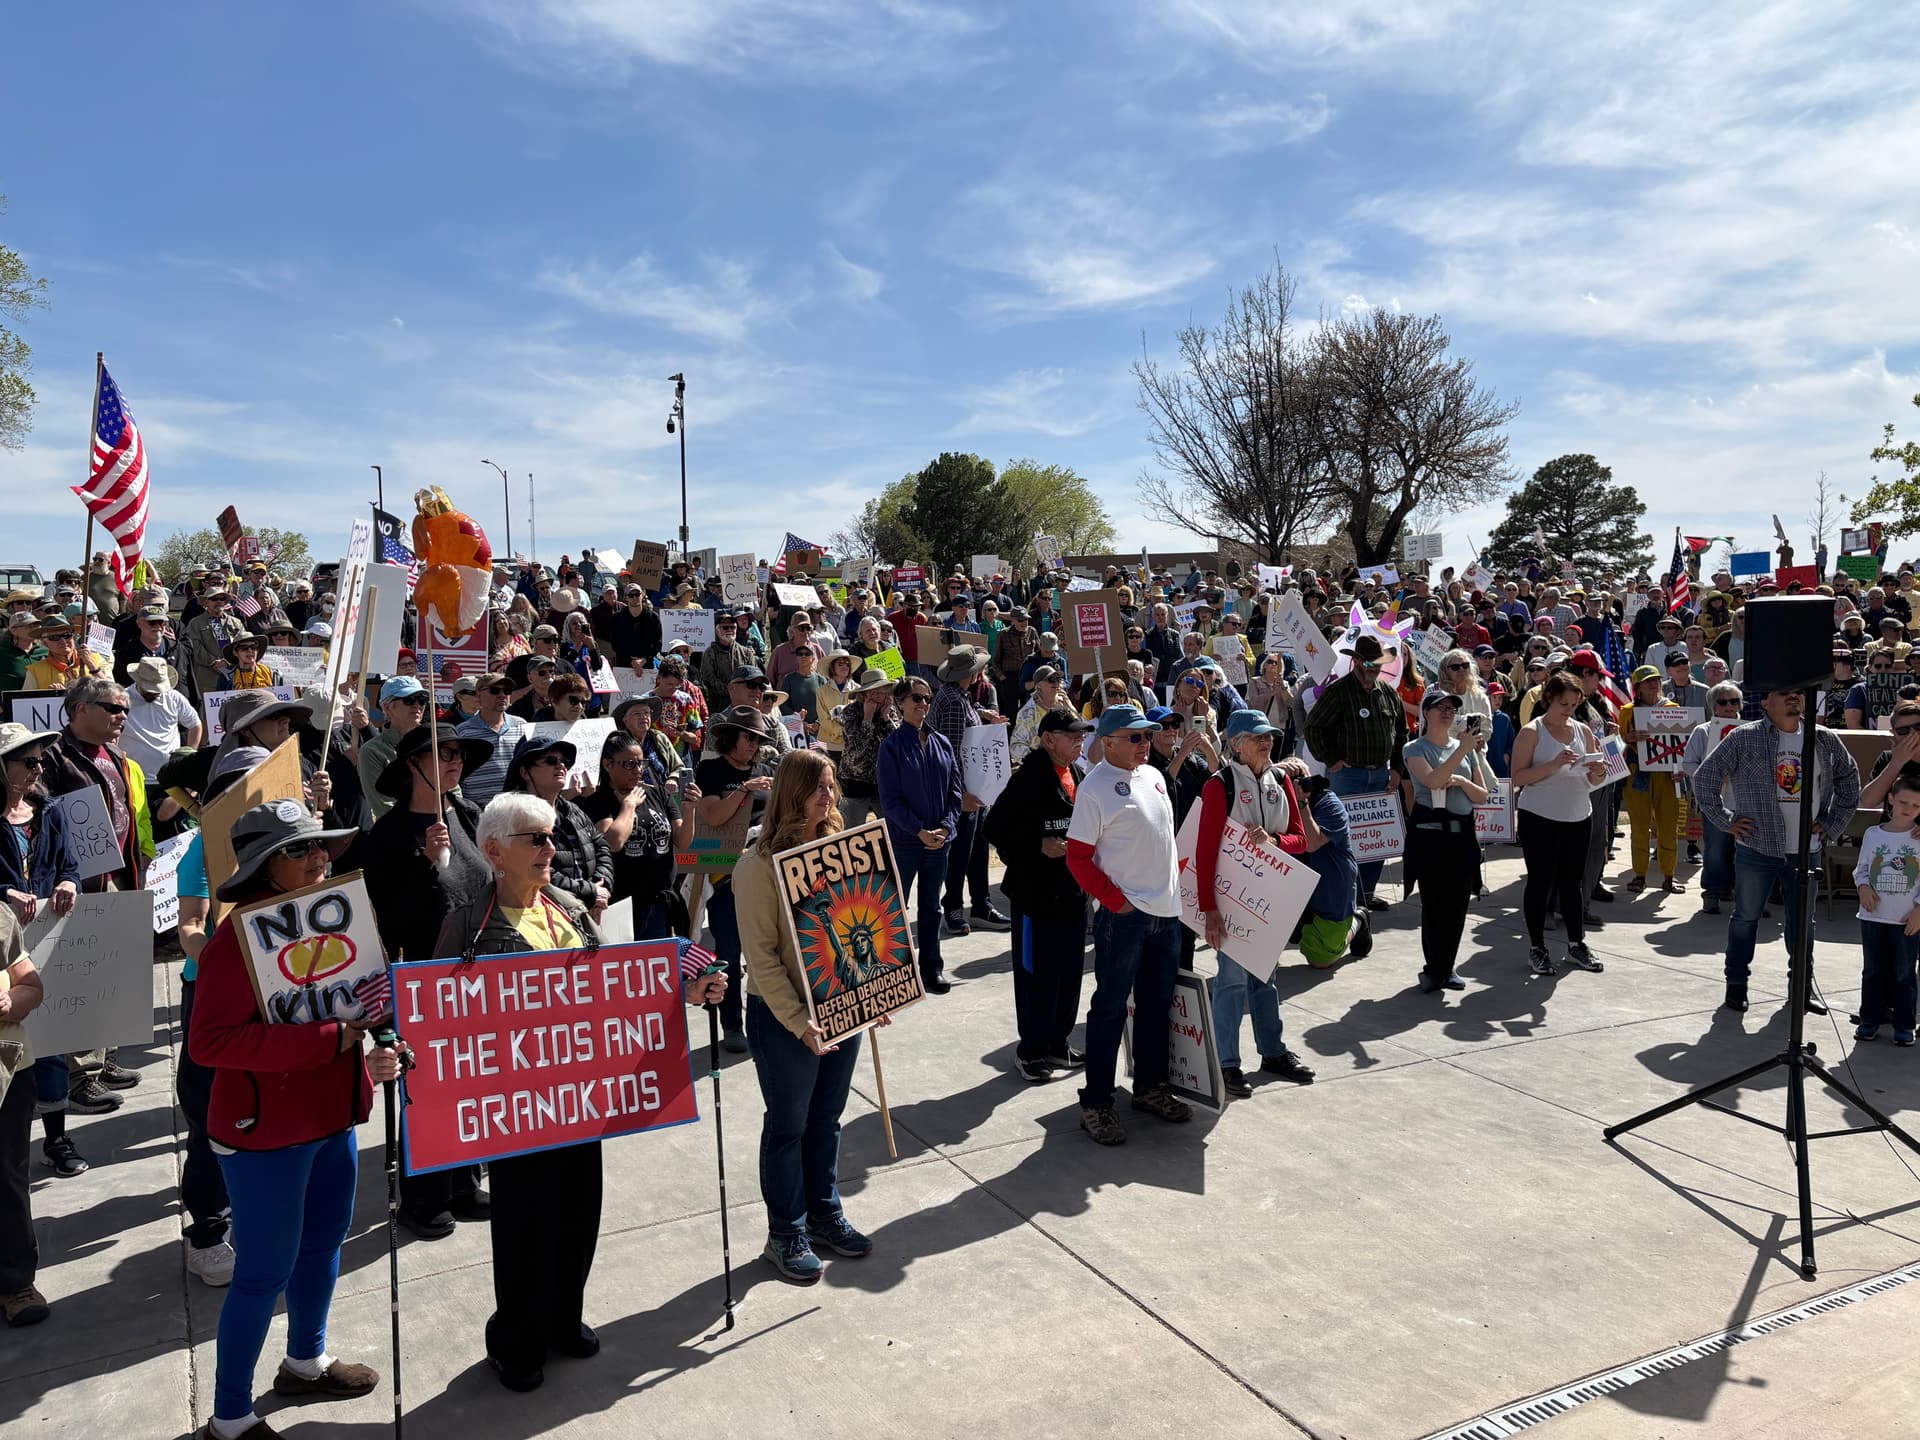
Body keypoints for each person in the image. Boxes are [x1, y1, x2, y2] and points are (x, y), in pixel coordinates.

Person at [190, 801, 400, 1436]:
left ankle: (305, 1362)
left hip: (331, 1116)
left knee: (323, 1243)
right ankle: (229, 1418)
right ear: (262, 866)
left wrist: (378, 1043)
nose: (320, 859)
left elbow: (363, 1000)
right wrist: (334, 1039)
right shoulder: (233, 940)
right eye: (300, 850)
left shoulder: (341, 918)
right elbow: (210, 1042)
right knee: (261, 1273)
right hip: (264, 1135)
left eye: (322, 848)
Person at [732, 750, 878, 1285]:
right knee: (789, 1126)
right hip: (783, 1018)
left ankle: (824, 1214)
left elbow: (862, 920)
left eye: (833, 785)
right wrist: (799, 1021)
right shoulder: (756, 866)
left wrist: (876, 988)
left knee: (826, 1120)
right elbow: (762, 958)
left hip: (842, 1008)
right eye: (819, 786)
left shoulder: (840, 851)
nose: (829, 795)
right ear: (792, 791)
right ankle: (785, 1231)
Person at [363, 724, 494, 1237]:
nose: (456, 762)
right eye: (444, 754)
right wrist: (425, 864)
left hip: (475, 970)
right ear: (413, 764)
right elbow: (388, 916)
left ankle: (462, 1179)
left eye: (460, 754)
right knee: (428, 1088)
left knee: (469, 1080)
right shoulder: (389, 834)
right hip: (421, 973)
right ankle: (421, 1196)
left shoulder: (465, 813)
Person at [1691, 687, 1860, 1014]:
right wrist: (1725, 821)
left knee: (1802, 924)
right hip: (1757, 846)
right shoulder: (1744, 737)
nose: (1793, 698)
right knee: (1745, 918)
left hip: (1806, 849)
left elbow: (1849, 780)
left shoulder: (1822, 738)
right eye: (1784, 693)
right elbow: (1705, 778)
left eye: (1797, 693)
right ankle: (1737, 984)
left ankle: (1800, 988)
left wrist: (1832, 822)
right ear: (1766, 703)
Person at [1065, 705, 1187, 1145]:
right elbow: (1077, 858)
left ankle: (1150, 1087)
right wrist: (1116, 903)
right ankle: (1096, 1103)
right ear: (1109, 740)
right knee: (1111, 1009)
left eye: (1146, 736)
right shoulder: (1094, 787)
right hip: (1127, 916)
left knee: (1157, 1007)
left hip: (1165, 913)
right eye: (1134, 737)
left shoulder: (1154, 776)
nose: (1144, 743)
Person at [1194, 711, 1320, 1096]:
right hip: (1232, 900)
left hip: (1269, 900)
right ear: (1235, 743)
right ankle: (1227, 1063)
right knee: (1231, 982)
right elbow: (1204, 851)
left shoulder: (1281, 780)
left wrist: (1275, 843)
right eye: (1257, 736)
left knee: (1266, 980)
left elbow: (1302, 840)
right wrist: (1209, 910)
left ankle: (1273, 1052)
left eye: (1269, 735)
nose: (1267, 742)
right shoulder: (1220, 785)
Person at [986, 709, 1093, 1082]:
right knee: (1037, 976)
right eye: (1072, 735)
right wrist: (1037, 844)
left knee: (1068, 974)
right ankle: (1030, 1051)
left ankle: (1057, 1043)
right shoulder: (1029, 777)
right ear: (1049, 739)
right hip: (1036, 897)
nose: (1080, 741)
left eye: (1082, 735)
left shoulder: (1077, 774)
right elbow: (994, 828)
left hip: (1072, 894)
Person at [0, 725, 88, 1180]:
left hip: (44, 942)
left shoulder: (49, 811)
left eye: (40, 761)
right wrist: (4, 894)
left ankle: (56, 1138)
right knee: (12, 1044)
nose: (39, 769)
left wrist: (69, 881)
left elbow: (69, 863)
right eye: (28, 762)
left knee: (50, 1045)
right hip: (3, 952)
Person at [1510, 674, 1610, 977]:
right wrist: (1553, 764)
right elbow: (1517, 777)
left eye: (1575, 702)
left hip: (1578, 814)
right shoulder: (1532, 731)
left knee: (1572, 883)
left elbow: (1594, 780)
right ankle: (1537, 947)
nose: (1569, 708)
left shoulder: (1582, 730)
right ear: (1548, 699)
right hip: (1539, 816)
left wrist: (1599, 771)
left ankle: (1576, 943)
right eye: (1563, 702)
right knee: (1540, 882)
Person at [695, 706, 780, 1052]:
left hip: (765, 873)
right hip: (725, 874)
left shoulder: (767, 770)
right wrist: (744, 790)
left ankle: (771, 1018)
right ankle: (732, 1023)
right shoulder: (710, 770)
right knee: (728, 950)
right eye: (748, 736)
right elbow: (712, 816)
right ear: (731, 736)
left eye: (759, 738)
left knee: (769, 949)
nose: (754, 744)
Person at [1304, 635, 1408, 909]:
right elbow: (1313, 728)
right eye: (1368, 661)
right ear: (1357, 661)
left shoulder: (1388, 693)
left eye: (1377, 662)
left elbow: (1401, 734)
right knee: (1340, 836)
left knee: (1377, 838)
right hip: (1346, 776)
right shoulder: (1339, 691)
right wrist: (1331, 759)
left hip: (1381, 775)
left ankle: (1367, 892)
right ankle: (1340, 891)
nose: (1373, 666)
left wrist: (1396, 769)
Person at [1404, 690, 1492, 994]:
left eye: (1451, 708)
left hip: (1462, 835)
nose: (1447, 712)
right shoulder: (1414, 748)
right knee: (1434, 904)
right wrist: (1462, 751)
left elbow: (1481, 794)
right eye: (1440, 707)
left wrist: (1464, 779)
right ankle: (1434, 967)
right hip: (1430, 835)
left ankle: (1447, 965)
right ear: (1426, 713)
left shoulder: (1464, 748)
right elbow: (1431, 780)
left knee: (1457, 905)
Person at [877, 677, 961, 994]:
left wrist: (946, 827)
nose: (923, 704)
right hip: (906, 843)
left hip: (939, 842)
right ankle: (896, 974)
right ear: (900, 703)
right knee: (895, 908)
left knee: (932, 908)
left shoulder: (942, 743)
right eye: (916, 698)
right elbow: (890, 801)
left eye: (927, 698)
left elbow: (955, 792)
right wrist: (918, 830)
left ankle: (932, 969)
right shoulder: (891, 747)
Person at [929, 645, 1010, 937]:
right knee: (962, 852)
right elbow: (950, 752)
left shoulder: (957, 696)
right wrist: (961, 794)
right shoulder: (952, 701)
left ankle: (979, 906)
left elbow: (968, 713)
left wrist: (985, 714)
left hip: (971, 788)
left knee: (975, 850)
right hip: (963, 792)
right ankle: (954, 907)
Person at [579, 729, 695, 926]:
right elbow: (613, 842)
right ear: (608, 765)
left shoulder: (658, 793)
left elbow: (682, 841)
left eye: (641, 763)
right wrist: (629, 806)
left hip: (661, 900)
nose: (638, 770)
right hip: (622, 905)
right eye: (629, 764)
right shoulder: (598, 801)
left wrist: (690, 810)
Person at [0, 900, 49, 1326]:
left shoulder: (0, 917)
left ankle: (17, 1283)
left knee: (7, 1177)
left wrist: (11, 1001)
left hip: (8, 1070)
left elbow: (32, 986)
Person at [503, 734, 611, 916]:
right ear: (525, 772)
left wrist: (602, 886)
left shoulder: (574, 810)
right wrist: (589, 891)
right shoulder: (517, 817)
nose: (561, 765)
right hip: (545, 914)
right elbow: (533, 867)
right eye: (551, 760)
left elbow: (602, 848)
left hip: (589, 910)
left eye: (565, 761)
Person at [1851, 774, 1920, 1046]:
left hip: (1906, 919)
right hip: (1872, 917)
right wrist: (1863, 887)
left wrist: (1918, 909)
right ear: (1891, 799)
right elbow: (1862, 869)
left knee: (1904, 974)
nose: (1909, 809)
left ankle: (1904, 1025)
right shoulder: (1873, 834)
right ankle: (1869, 1020)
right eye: (1903, 802)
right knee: (1873, 972)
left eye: (1916, 806)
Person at [1618, 665, 1684, 894]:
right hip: (1637, 772)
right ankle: (1639, 876)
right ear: (1638, 686)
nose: (1653, 684)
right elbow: (1619, 744)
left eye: (1655, 679)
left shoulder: (1674, 708)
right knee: (1639, 827)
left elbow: (1680, 744)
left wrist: (1680, 768)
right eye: (1647, 681)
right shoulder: (1627, 711)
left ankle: (1669, 876)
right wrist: (1629, 737)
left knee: (1668, 827)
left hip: (1666, 775)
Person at [1681, 683, 1746, 915]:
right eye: (1723, 702)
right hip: (1715, 802)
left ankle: (1743, 895)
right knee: (1716, 851)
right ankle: (1712, 893)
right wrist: (1713, 775)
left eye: (1734, 701)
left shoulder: (1752, 730)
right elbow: (1688, 764)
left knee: (1745, 853)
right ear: (1713, 706)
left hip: (1745, 803)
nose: (1729, 707)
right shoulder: (1703, 732)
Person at [357, 675, 430, 822]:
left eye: (421, 699)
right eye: (409, 699)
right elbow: (384, 808)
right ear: (387, 707)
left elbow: (453, 792)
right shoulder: (372, 751)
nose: (417, 705)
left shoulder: (434, 744)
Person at [122, 658, 203, 786]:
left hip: (169, 778)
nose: (153, 692)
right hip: (133, 779)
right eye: (149, 689)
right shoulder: (123, 698)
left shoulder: (174, 697)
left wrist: (189, 756)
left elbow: (195, 724)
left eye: (157, 689)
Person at [454, 671, 528, 809]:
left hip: (516, 809)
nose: (502, 695)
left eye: (506, 690)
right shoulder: (462, 732)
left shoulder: (522, 726)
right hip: (477, 812)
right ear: (478, 695)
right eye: (495, 690)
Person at [832, 669, 895, 829]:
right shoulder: (850, 712)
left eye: (883, 691)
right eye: (875, 692)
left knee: (893, 829)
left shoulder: (889, 712)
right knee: (853, 832)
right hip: (854, 783)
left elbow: (896, 743)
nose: (880, 696)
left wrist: (886, 719)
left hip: (883, 781)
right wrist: (867, 718)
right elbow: (857, 747)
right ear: (865, 694)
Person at [23, 619, 109, 692]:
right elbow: (26, 704)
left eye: (67, 636)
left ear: (74, 637)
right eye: (54, 637)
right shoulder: (35, 671)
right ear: (45, 643)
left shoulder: (97, 659)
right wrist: (51, 696)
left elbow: (113, 691)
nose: (63, 641)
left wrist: (91, 665)